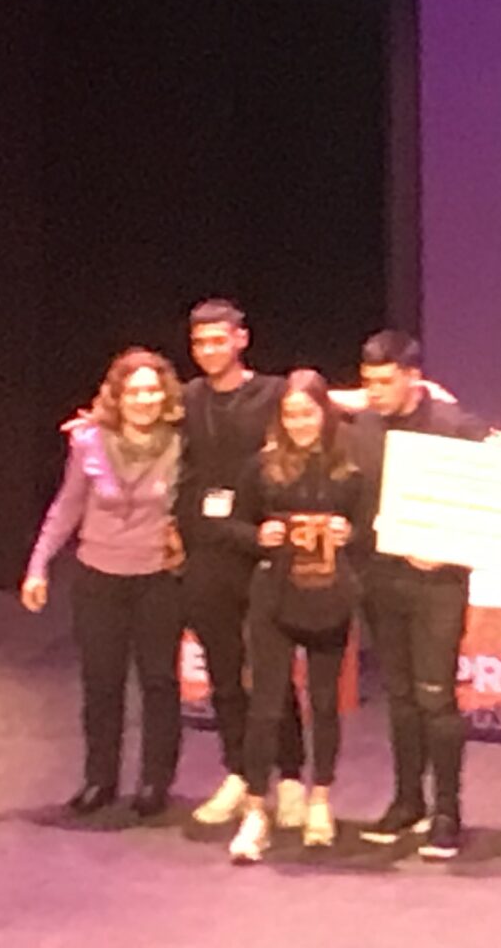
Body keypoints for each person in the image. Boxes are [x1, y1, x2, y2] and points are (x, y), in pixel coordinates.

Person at [24, 347, 188, 817]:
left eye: (152, 390)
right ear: (118, 396)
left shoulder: (184, 442)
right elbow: (67, 506)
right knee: (102, 683)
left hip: (159, 578)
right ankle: (100, 780)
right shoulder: (90, 442)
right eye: (134, 391)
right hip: (99, 578)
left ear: (166, 394)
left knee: (159, 682)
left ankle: (155, 782)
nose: (144, 399)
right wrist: (37, 566)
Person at [349, 329, 492, 859]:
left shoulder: (455, 427)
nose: (375, 392)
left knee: (436, 695)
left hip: (437, 583)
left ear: (414, 378)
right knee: (401, 696)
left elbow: (489, 497)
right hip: (381, 578)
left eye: (385, 382)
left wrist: (450, 547)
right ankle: (407, 800)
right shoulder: (363, 428)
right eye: (368, 382)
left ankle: (447, 811)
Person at [172, 298, 308, 831]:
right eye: (200, 342)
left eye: (218, 339)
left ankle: (290, 778)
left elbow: (326, 400)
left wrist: (412, 390)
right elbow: (132, 411)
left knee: (272, 672)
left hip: (262, 550)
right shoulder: (187, 398)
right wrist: (94, 424)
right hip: (207, 552)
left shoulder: (273, 393)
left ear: (241, 339)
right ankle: (237, 772)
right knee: (223, 673)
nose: (209, 350)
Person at [222, 370, 366, 861]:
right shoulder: (262, 466)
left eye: (308, 413)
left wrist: (350, 533)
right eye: (290, 415)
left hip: (328, 596)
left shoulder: (350, 469)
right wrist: (257, 535)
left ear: (325, 413)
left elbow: (371, 528)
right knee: (265, 706)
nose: (300, 423)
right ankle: (255, 812)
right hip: (274, 596)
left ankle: (319, 800)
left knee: (324, 703)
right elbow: (233, 523)